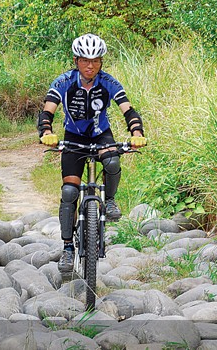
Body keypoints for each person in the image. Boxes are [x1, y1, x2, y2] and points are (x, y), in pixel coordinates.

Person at [38, 33, 147, 272]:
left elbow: (128, 109)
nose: (91, 65)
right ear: (76, 60)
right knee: (69, 192)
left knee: (112, 160)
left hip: (101, 135)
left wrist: (136, 133)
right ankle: (67, 248)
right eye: (85, 60)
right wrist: (46, 132)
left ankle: (109, 202)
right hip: (73, 137)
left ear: (101, 62)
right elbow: (47, 111)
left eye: (96, 60)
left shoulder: (108, 82)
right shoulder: (64, 81)